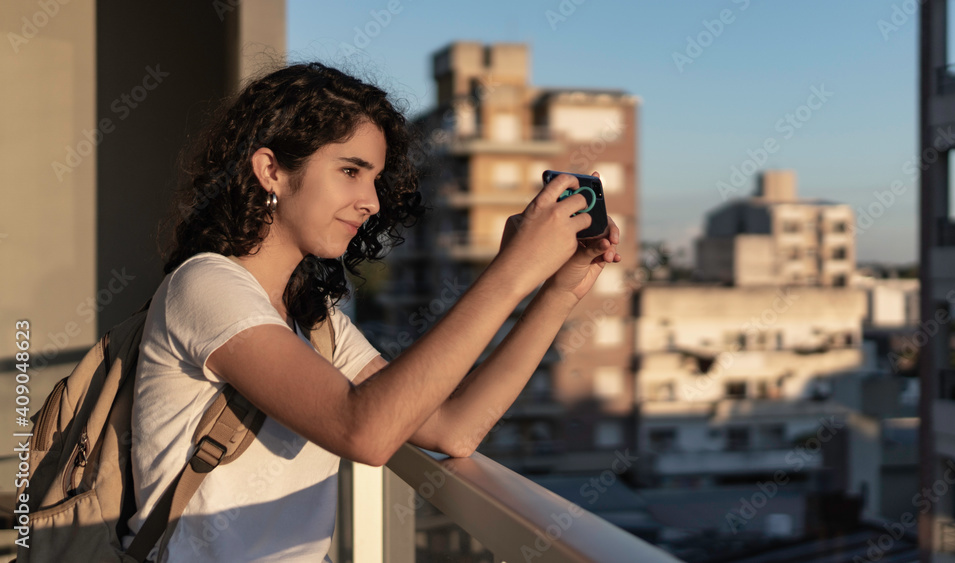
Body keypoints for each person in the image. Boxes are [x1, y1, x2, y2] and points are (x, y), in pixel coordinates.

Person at [122, 61, 621, 562]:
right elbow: (365, 432)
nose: (370, 202)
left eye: (375, 179)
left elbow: (453, 428)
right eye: (350, 171)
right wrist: (511, 269)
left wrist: (557, 292)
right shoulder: (206, 285)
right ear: (270, 169)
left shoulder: (313, 321)